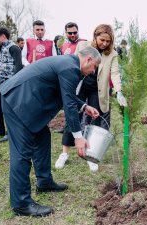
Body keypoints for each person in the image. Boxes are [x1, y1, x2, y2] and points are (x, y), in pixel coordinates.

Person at [0, 47, 101, 217]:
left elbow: (66, 94)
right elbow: (68, 104)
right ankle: (21, 203)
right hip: (18, 101)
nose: (93, 71)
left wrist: (83, 106)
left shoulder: (68, 63)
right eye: (94, 67)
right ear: (89, 59)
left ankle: (44, 181)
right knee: (22, 152)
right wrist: (78, 137)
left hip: (25, 101)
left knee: (43, 137)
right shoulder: (71, 68)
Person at [55, 24, 127, 171]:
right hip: (80, 85)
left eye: (108, 41)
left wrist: (119, 91)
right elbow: (73, 64)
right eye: (102, 40)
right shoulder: (83, 45)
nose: (105, 44)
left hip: (97, 89)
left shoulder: (112, 54)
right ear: (95, 36)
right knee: (73, 116)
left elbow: (115, 74)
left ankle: (90, 154)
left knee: (95, 119)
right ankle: (64, 153)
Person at [0, 27, 23, 143]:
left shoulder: (14, 48)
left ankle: (10, 133)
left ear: (3, 36)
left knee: (8, 110)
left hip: (9, 83)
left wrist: (14, 83)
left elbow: (18, 66)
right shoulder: (1, 48)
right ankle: (0, 132)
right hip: (0, 82)